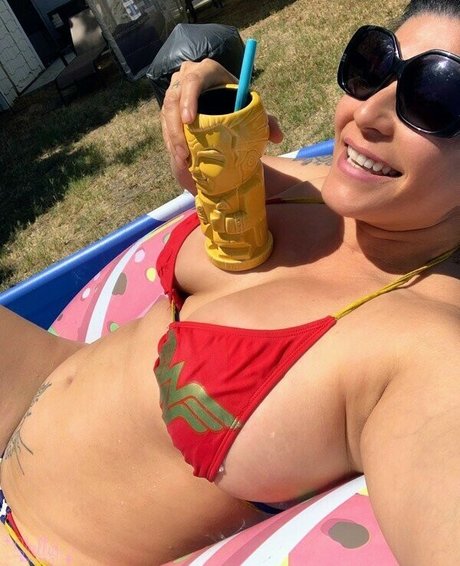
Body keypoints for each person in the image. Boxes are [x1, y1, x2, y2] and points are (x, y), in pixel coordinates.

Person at [1, 0, 459, 563]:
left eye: (433, 99)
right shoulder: (312, 190)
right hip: (36, 383)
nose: (367, 114)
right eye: (375, 66)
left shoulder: (427, 353)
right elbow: (215, 168)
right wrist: (211, 100)